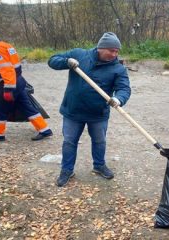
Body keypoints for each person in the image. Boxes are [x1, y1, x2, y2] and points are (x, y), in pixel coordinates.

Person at [48, 32, 131, 187]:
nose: (115, 54)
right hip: (73, 111)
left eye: (117, 51)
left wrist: (119, 99)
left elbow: (124, 89)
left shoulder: (118, 69)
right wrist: (66, 61)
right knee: (69, 142)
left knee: (99, 141)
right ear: (101, 48)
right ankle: (67, 170)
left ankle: (99, 165)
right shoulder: (79, 55)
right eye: (111, 50)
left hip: (98, 113)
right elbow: (52, 60)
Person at [0, 24, 52, 143]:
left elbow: (7, 69)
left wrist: (8, 89)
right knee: (27, 106)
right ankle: (45, 130)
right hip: (18, 82)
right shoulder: (7, 45)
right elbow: (16, 67)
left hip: (7, 84)